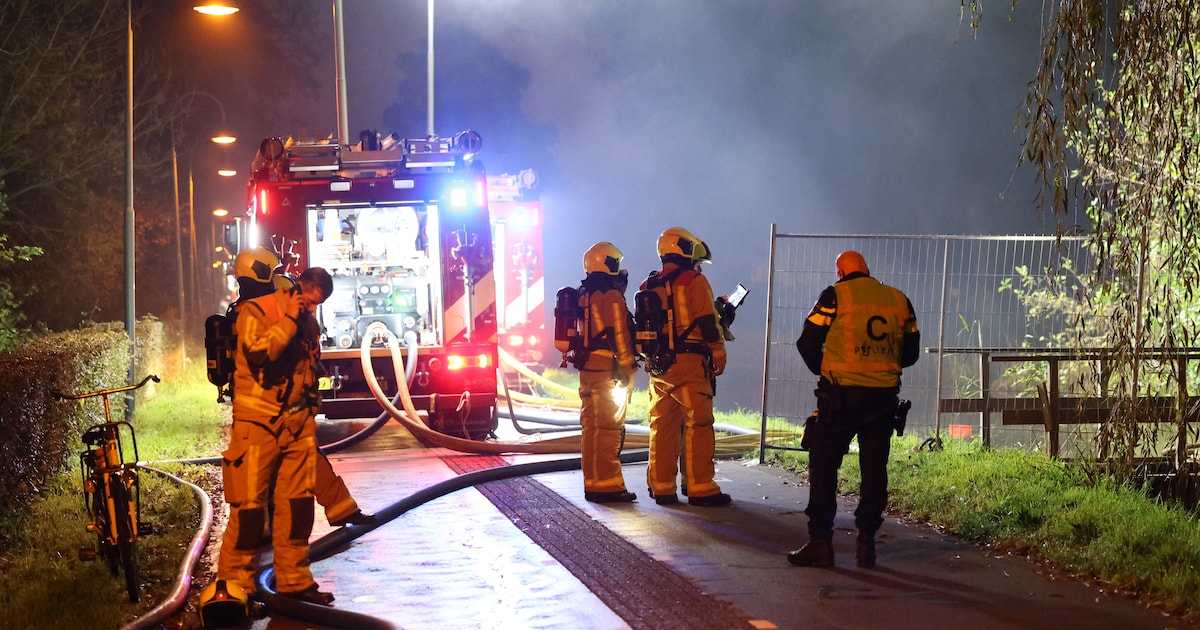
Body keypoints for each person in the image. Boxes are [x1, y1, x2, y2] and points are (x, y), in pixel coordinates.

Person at [788, 250, 919, 568]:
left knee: (824, 465)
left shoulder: (835, 296)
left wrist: (827, 370)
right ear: (867, 271)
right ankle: (867, 543)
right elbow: (911, 353)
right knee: (874, 470)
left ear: (840, 272)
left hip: (841, 398)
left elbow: (806, 343)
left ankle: (821, 543)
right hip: (883, 399)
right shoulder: (898, 300)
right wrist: (880, 367)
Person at [215, 266, 337, 605]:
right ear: (298, 289)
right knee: (250, 511)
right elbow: (260, 353)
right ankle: (234, 588)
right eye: (310, 301)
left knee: (298, 508)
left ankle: (295, 581)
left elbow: (309, 366)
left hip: (296, 426)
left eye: (318, 304)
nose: (313, 309)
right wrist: (289, 320)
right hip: (258, 425)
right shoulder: (257, 310)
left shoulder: (306, 319)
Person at [230, 249, 374, 529]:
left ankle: (256, 527)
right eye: (274, 274)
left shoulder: (241, 312)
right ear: (263, 274)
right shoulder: (270, 307)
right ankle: (340, 508)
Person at [640, 227, 730, 507]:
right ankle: (700, 487)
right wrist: (718, 353)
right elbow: (706, 322)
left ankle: (662, 487)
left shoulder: (648, 285)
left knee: (662, 428)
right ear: (684, 249)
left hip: (658, 368)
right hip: (690, 366)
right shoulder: (695, 281)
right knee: (698, 425)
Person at [572, 242, 638, 504]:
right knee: (609, 428)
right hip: (607, 371)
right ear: (608, 263)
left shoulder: (582, 294)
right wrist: (629, 367)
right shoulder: (610, 296)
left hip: (587, 369)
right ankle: (608, 485)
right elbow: (619, 336)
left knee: (590, 428)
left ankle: (593, 482)